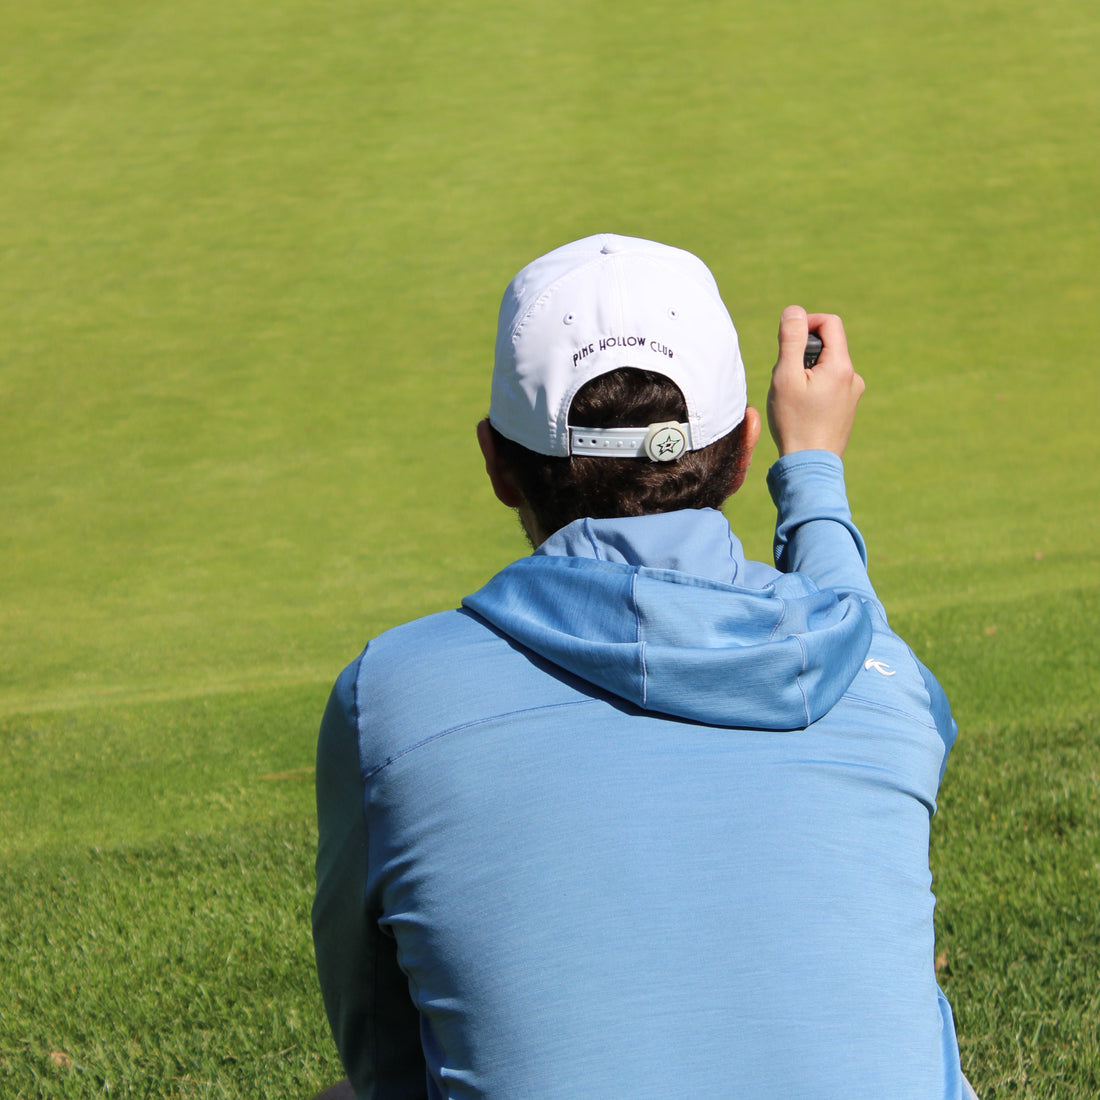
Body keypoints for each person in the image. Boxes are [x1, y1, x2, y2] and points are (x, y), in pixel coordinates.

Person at [311, 234, 973, 1099]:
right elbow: (847, 636)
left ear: (498, 465)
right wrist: (812, 471)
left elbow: (383, 1059)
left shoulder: (389, 696)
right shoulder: (887, 682)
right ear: (742, 454)